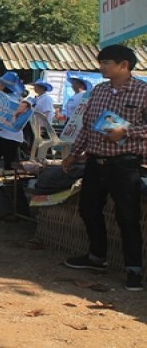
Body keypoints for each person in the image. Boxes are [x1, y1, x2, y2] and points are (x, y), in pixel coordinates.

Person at [61, 44, 146, 292]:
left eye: (106, 62)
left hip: (124, 164)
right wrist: (73, 155)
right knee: (88, 209)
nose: (101, 67)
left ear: (124, 65)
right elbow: (87, 127)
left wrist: (126, 131)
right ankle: (97, 257)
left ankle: (133, 271)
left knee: (127, 217)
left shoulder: (143, 92)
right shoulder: (98, 91)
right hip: (95, 162)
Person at [0, 71, 28, 170]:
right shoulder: (17, 99)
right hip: (13, 136)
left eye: (0, 84)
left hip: (7, 135)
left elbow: (9, 118)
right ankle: (7, 184)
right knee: (8, 163)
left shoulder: (8, 100)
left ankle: (0, 184)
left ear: (4, 86)